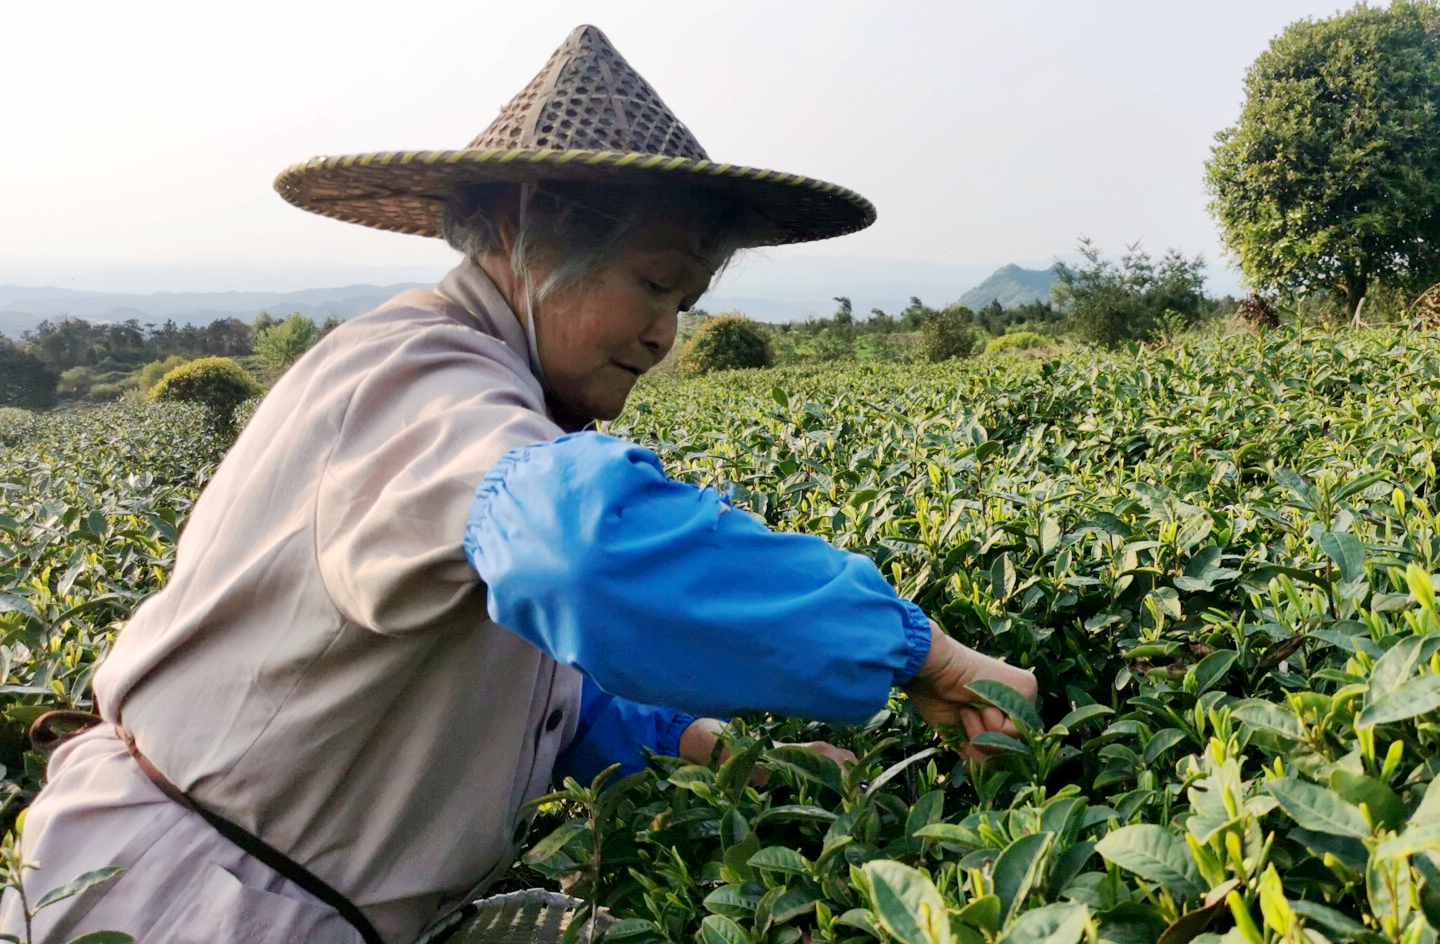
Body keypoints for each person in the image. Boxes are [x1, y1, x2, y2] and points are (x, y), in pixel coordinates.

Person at [0, 25, 1035, 944]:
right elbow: (581, 551)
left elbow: (536, 698)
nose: (666, 334)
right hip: (179, 904)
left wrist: (747, 762)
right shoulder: (417, 376)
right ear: (526, 233)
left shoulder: (489, 406)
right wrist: (921, 652)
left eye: (685, 300)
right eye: (653, 283)